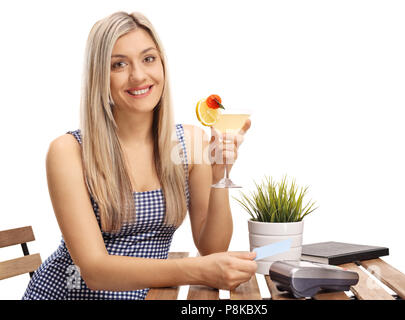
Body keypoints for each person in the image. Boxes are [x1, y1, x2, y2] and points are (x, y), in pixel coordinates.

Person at [22, 11, 256, 300]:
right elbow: (94, 271)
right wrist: (196, 269)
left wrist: (219, 174)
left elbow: (213, 250)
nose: (138, 76)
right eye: (118, 64)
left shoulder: (189, 142)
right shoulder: (69, 151)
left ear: (162, 65)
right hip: (68, 293)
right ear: (100, 77)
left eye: (148, 59)